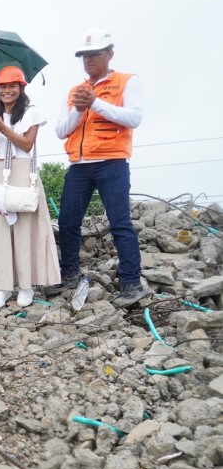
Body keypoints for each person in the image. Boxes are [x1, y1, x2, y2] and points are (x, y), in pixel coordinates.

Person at [54, 27, 149, 306]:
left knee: (120, 223)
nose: (88, 60)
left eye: (94, 54)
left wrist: (95, 102)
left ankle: (132, 282)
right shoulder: (75, 92)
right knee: (68, 222)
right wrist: (80, 108)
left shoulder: (126, 81)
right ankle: (69, 273)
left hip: (112, 162)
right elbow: (61, 130)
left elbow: (133, 118)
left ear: (109, 53)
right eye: (84, 56)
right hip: (80, 166)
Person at [0, 66, 60, 309]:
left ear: (21, 87)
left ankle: (26, 285)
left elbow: (27, 144)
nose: (7, 90)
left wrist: (4, 129)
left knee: (25, 227)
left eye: (12, 86)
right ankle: (3, 286)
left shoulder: (31, 112)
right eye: (2, 87)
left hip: (22, 170)